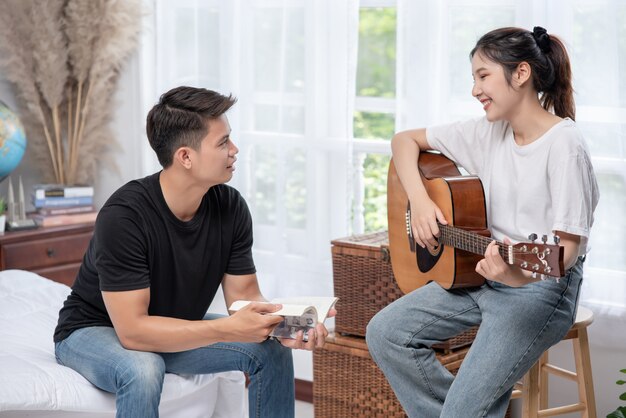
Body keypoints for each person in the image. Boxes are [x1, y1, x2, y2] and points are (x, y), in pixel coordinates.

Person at [54, 86, 331, 418]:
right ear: (185, 156)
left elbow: (244, 298)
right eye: (223, 142)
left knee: (269, 351)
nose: (234, 149)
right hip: (96, 329)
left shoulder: (230, 207)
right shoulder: (124, 216)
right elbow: (133, 331)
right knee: (143, 369)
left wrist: (289, 325)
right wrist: (225, 329)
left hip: (171, 327)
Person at [366, 26, 599, 418]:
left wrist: (516, 276)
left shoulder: (564, 146)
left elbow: (567, 252)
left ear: (521, 73)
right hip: (481, 274)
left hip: (541, 287)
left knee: (462, 412)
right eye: (474, 78)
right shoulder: (488, 131)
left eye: (483, 75)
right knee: (386, 333)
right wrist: (421, 202)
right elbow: (403, 141)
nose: (475, 89)